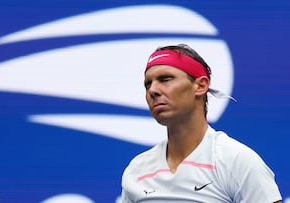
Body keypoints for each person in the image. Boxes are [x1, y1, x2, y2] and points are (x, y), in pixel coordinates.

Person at [121, 44, 282, 202]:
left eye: (165, 79)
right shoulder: (137, 170)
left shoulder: (237, 161)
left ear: (201, 86)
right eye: (148, 84)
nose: (153, 90)